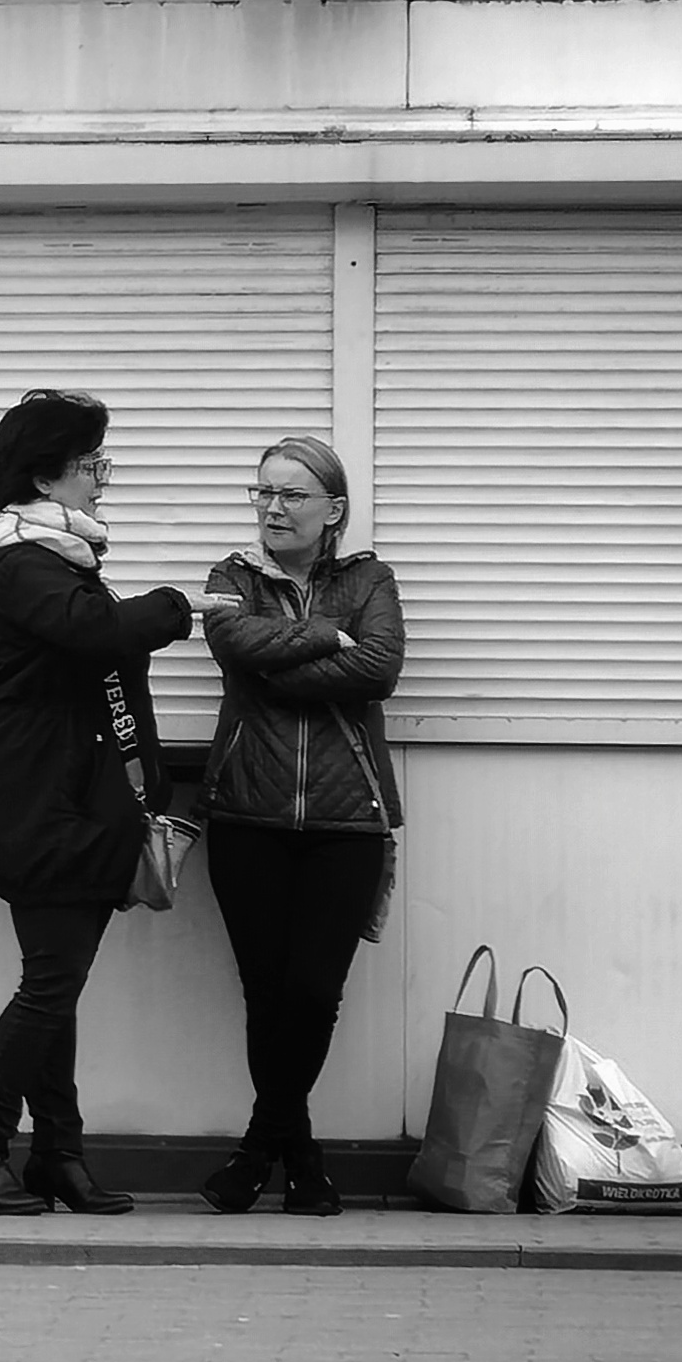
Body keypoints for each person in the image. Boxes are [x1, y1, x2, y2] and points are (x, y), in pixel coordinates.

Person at [0, 389, 225, 1218]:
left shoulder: (56, 559)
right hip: (43, 808)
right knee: (49, 985)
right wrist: (178, 606)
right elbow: (94, 633)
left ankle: (56, 1157)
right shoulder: (20, 566)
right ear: (43, 477)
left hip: (70, 801)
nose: (101, 480)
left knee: (54, 989)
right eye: (88, 465)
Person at [195, 435, 405, 1217]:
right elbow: (234, 644)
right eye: (263, 492)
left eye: (291, 495)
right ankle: (301, 1159)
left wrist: (279, 665)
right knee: (266, 991)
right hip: (246, 811)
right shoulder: (230, 579)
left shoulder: (369, 579)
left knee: (313, 992)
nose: (272, 508)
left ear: (333, 510)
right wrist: (327, 638)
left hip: (347, 820)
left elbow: (379, 667)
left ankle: (262, 1147)